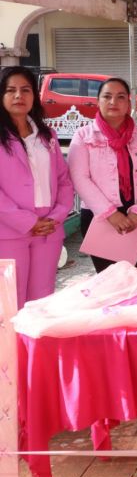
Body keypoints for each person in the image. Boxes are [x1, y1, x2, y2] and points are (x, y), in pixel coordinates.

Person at [68, 77, 137, 273]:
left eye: (120, 97)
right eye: (107, 96)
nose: (113, 102)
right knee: (109, 281)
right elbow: (79, 178)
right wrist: (110, 214)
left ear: (129, 103)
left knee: (136, 278)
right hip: (99, 217)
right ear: (97, 101)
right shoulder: (83, 136)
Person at [0, 66, 73, 308]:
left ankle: (37, 337)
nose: (18, 96)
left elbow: (63, 179)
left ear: (34, 95)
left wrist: (57, 216)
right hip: (8, 230)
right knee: (11, 300)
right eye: (10, 90)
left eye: (25, 90)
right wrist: (27, 221)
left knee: (43, 298)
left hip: (48, 228)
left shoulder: (47, 134)